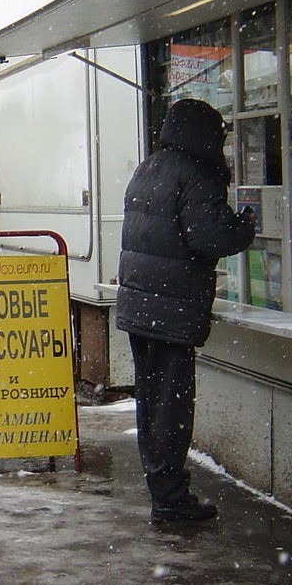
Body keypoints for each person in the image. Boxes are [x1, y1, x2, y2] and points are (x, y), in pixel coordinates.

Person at [116, 98, 256, 522]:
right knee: (171, 408)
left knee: (152, 403)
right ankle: (170, 498)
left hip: (144, 304)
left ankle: (162, 487)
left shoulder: (150, 167)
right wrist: (246, 224)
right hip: (171, 310)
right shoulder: (197, 173)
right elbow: (210, 237)